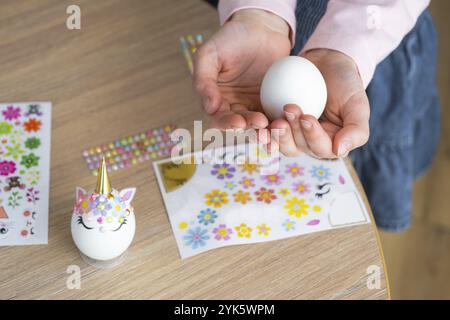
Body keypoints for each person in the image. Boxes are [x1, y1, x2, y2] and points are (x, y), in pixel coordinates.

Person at [193, 0, 440, 232]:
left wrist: (345, 44)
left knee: (361, 193)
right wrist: (261, 12)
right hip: (254, 44)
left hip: (376, 40)